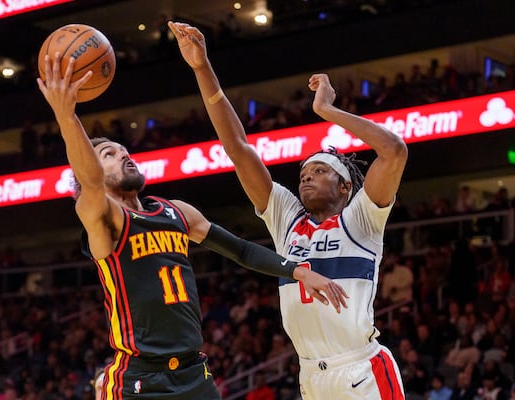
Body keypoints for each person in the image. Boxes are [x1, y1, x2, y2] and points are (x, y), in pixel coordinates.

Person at [36, 52, 348, 399]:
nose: (124, 155)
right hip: (139, 379)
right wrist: (66, 116)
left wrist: (298, 271)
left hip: (192, 373)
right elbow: (91, 181)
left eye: (123, 150)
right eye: (109, 154)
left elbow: (241, 250)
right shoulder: (106, 220)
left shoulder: (177, 212)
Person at [169, 21, 408, 399]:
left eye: (319, 171)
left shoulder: (361, 217)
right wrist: (201, 67)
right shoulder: (287, 218)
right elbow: (237, 147)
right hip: (311, 374)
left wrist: (327, 110)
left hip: (360, 369)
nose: (306, 179)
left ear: (345, 186)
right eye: (303, 173)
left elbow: (394, 150)